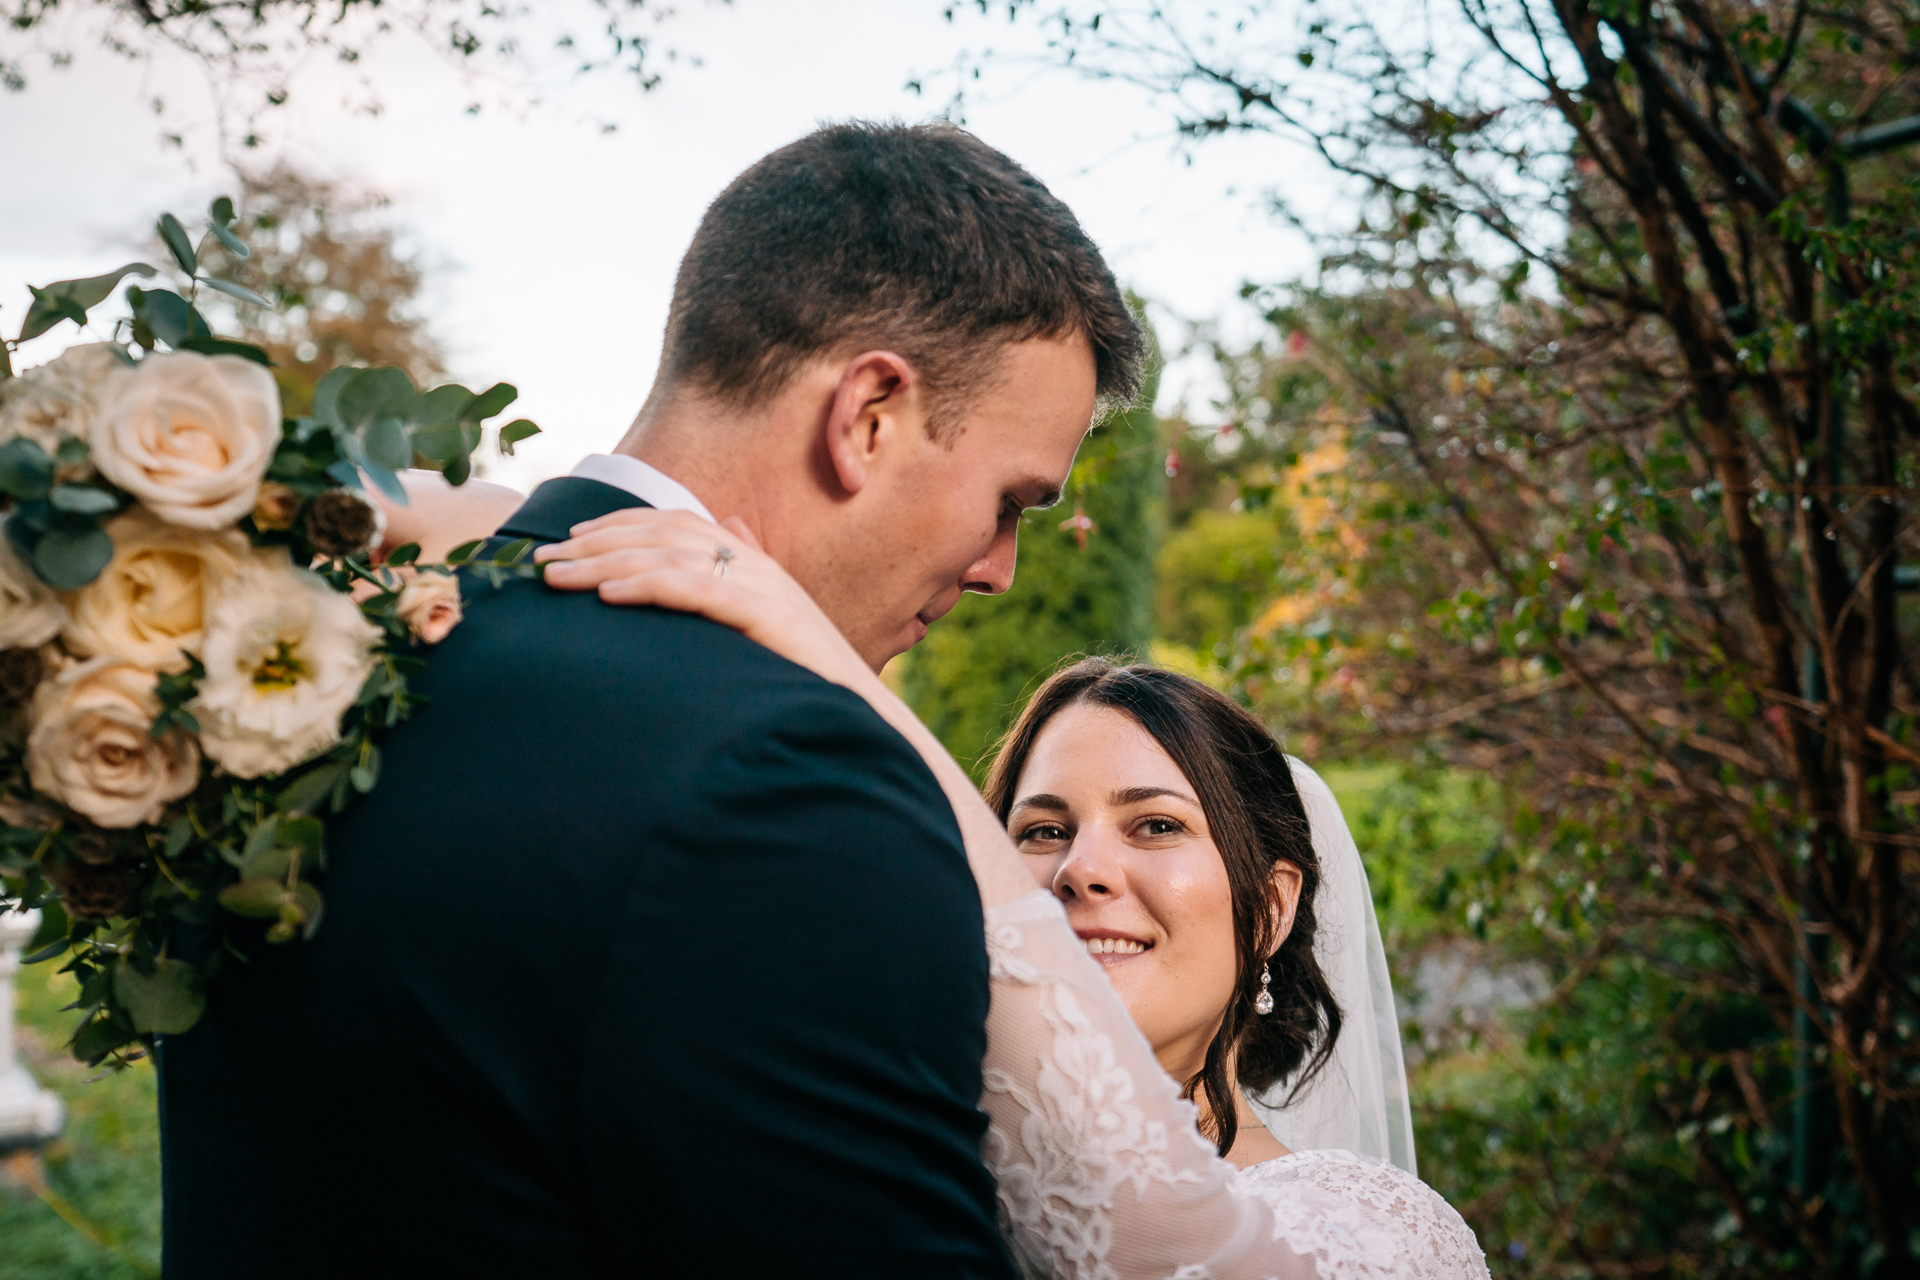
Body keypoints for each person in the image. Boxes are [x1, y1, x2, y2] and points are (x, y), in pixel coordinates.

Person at [155, 121, 1144, 1278]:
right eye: (1011, 500)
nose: (999, 569)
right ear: (868, 416)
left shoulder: (308, 673)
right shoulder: (790, 780)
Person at [524, 510, 1492, 1277]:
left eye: (1155, 823)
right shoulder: (899, 1173)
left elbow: (1166, 1246)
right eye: (1039, 830)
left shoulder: (1381, 1232)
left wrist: (833, 680)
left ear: (1273, 906)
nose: (1081, 869)